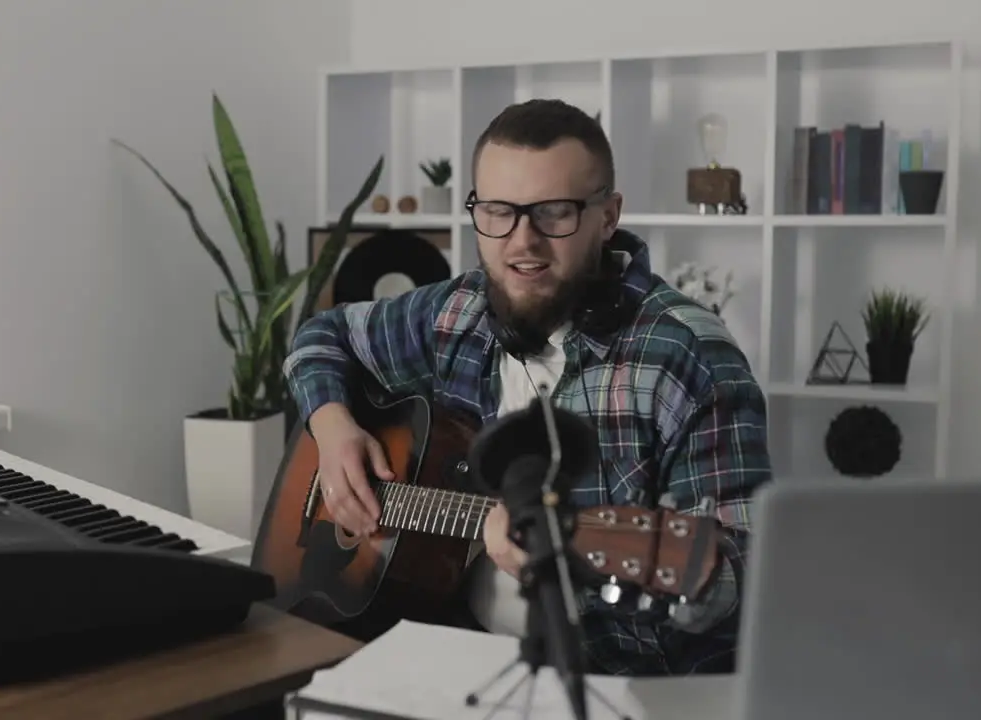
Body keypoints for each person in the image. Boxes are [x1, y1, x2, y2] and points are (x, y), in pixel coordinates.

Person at [283, 98, 773, 676]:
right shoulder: (456, 310)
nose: (522, 242)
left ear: (608, 216)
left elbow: (749, 572)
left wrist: (592, 559)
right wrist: (333, 428)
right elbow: (320, 336)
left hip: (616, 688)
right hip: (452, 652)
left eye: (554, 213)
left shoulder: (689, 357)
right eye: (497, 211)